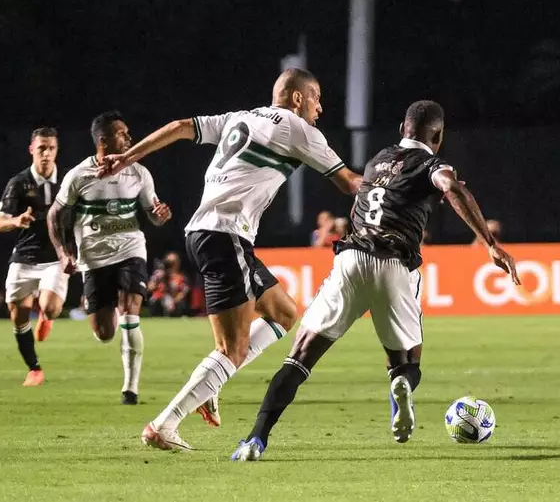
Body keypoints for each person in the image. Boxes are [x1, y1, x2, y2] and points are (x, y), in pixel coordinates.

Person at [231, 100, 521, 461]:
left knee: (299, 359)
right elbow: (452, 187)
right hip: (395, 265)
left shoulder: (378, 160)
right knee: (407, 364)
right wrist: (491, 244)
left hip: (351, 258)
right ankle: (399, 382)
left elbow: (361, 203)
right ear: (438, 135)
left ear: (403, 127)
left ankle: (255, 439)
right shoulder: (432, 163)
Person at [98, 68, 362, 450]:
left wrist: (128, 158)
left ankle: (211, 383)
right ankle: (163, 424)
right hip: (226, 235)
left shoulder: (242, 116)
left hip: (206, 232)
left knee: (285, 313)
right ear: (297, 97)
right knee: (232, 350)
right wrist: (400, 181)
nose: (321, 107)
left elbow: (180, 126)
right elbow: (349, 182)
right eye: (317, 97)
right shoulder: (298, 129)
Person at [47, 110, 172, 405]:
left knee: (131, 312)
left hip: (131, 250)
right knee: (104, 333)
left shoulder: (139, 172)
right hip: (93, 258)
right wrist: (64, 254)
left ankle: (130, 389)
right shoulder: (79, 176)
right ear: (103, 141)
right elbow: (55, 214)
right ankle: (104, 310)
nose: (129, 137)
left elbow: (153, 214)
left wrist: (159, 216)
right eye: (122, 134)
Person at [0, 127, 69, 387]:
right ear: (31, 150)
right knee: (18, 315)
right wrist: (17, 220)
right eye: (41, 149)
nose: (46, 154)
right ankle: (34, 369)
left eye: (51, 148)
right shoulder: (19, 182)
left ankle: (47, 317)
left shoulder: (68, 182)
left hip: (55, 258)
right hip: (24, 257)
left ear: (57, 150)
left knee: (50, 306)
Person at [147, 252, 191, 318]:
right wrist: (158, 280)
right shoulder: (159, 274)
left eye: (174, 262)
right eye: (170, 262)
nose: (172, 264)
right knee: (154, 301)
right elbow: (149, 288)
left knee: (178, 304)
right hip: (158, 302)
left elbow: (184, 292)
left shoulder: (182, 277)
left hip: (174, 302)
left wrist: (174, 300)